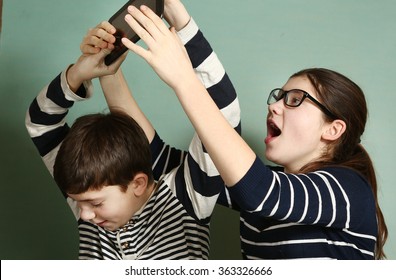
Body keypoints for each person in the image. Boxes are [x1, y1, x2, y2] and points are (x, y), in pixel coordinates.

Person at [119, 4, 388, 259]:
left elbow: (260, 192)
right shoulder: (267, 183)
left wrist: (184, 80)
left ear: (333, 129)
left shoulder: (347, 189)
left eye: (294, 99)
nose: (274, 107)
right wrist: (111, 72)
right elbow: (162, 162)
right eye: (278, 97)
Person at [25, 0, 240, 259]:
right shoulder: (84, 191)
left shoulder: (186, 198)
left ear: (138, 183)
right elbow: (40, 122)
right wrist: (79, 73)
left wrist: (182, 24)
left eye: (96, 203)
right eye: (79, 201)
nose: (83, 214)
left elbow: (223, 115)